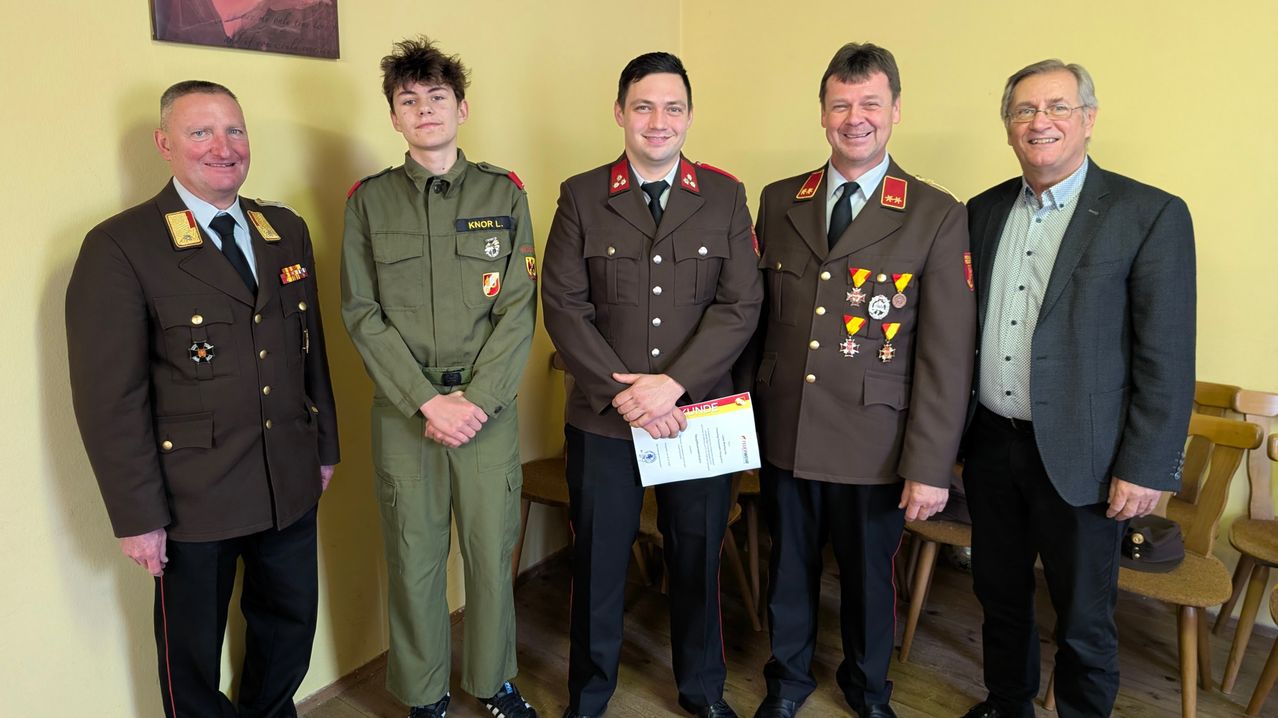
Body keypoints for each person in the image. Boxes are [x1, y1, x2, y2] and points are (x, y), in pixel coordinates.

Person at [66, 80, 340, 718]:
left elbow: (311, 351)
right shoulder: (121, 246)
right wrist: (138, 516)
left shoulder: (284, 229)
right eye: (201, 132)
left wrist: (323, 447)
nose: (224, 147)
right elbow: (111, 397)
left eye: (235, 130)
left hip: (287, 478)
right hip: (193, 496)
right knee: (189, 659)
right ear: (165, 144)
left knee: (288, 629)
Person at [960, 59, 1195, 718]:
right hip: (990, 447)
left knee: (1085, 619)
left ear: (1089, 120)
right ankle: (1007, 703)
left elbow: (1167, 357)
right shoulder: (981, 212)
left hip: (1086, 460)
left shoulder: (1148, 214)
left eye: (1058, 107)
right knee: (999, 596)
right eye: (1025, 110)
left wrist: (1146, 465)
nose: (1041, 123)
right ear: (1008, 127)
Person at [747, 43, 975, 718]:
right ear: (822, 113)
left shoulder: (935, 213)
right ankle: (786, 682)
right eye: (841, 104)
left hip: (876, 442)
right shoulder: (781, 199)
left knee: (871, 581)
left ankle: (868, 689)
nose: (856, 118)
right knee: (788, 571)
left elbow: (945, 353)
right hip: (785, 429)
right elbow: (756, 324)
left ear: (895, 111)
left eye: (870, 103)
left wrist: (930, 465)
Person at [541, 51, 763, 718]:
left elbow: (740, 306)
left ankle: (702, 691)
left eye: (672, 107)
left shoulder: (724, 195)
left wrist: (671, 385)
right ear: (620, 113)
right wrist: (625, 395)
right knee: (600, 564)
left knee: (698, 559)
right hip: (605, 419)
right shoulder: (582, 194)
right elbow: (563, 305)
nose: (657, 121)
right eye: (643, 106)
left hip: (698, 415)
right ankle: (589, 695)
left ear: (689, 116)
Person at [340, 37, 539, 718]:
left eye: (436, 98)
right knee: (413, 556)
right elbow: (361, 312)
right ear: (393, 118)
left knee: (490, 556)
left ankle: (492, 681)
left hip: (486, 410)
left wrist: (475, 402)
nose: (423, 110)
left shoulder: (504, 192)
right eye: (408, 100)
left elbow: (519, 306)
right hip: (407, 412)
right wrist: (427, 400)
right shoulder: (369, 203)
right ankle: (424, 693)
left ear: (462, 108)